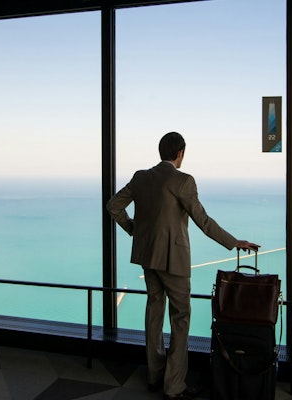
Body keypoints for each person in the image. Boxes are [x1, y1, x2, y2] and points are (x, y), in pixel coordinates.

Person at [106, 131, 260, 400]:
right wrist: (234, 242)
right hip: (173, 262)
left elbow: (113, 206)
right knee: (180, 320)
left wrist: (135, 230)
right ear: (180, 154)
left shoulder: (141, 177)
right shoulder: (183, 181)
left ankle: (154, 376)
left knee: (154, 314)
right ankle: (174, 385)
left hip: (147, 257)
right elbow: (204, 221)